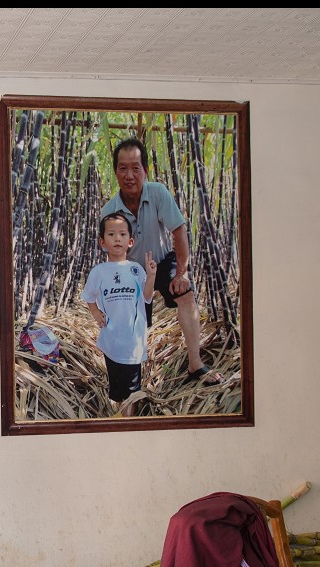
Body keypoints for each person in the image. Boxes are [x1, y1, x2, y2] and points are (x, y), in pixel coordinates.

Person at [101, 137, 224, 385]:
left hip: (163, 260)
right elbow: (112, 256)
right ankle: (131, 382)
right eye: (123, 168)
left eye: (136, 168)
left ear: (145, 170)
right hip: (132, 272)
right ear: (115, 172)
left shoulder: (157, 193)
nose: (129, 175)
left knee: (186, 296)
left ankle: (195, 364)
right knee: (129, 323)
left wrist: (182, 272)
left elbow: (178, 232)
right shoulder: (109, 211)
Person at [81, 213, 157, 416]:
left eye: (122, 234)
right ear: (102, 242)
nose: (117, 238)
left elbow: (147, 297)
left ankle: (126, 425)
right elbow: (88, 296)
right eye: (111, 234)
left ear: (130, 242)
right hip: (111, 341)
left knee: (131, 393)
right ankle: (123, 420)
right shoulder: (99, 271)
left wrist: (151, 276)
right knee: (119, 392)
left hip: (133, 341)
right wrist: (96, 312)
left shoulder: (135, 269)